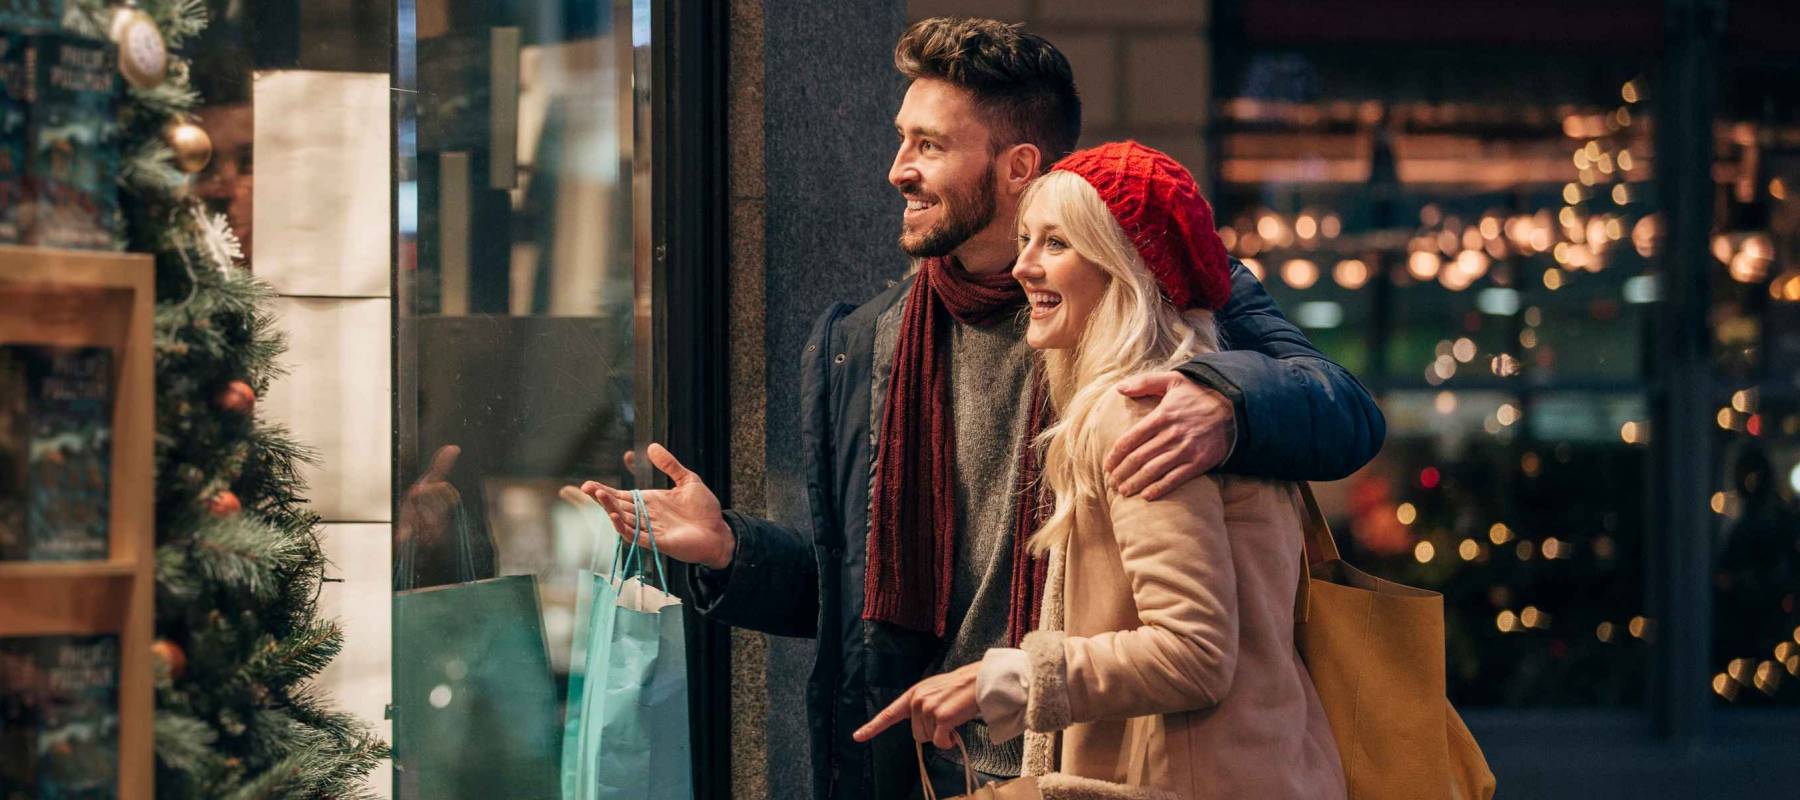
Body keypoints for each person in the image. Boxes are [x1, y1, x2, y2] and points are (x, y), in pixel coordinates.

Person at [580, 18, 1382, 800]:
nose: (898, 169)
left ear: (1019, 165)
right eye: (903, 139)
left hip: (1102, 760)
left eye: (929, 145)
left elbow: (1346, 411)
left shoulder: (1160, 296)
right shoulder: (866, 345)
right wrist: (729, 549)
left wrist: (1225, 402)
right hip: (942, 768)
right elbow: (865, 602)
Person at [857, 141, 1346, 799]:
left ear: (1125, 268)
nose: (1024, 266)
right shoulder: (1200, 401)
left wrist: (1002, 680)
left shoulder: (1143, 411)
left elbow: (1194, 654)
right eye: (1027, 240)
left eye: (1056, 244)